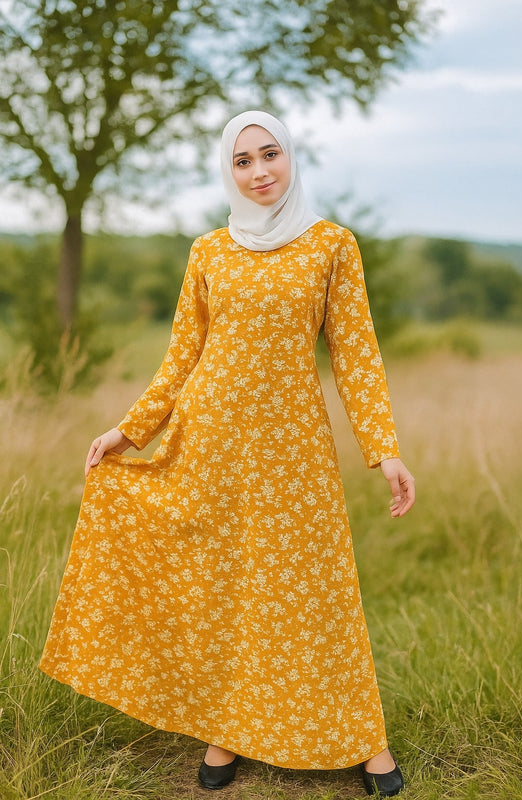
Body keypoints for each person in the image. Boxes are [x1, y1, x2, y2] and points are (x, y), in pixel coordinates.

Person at [40, 110, 415, 797]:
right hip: (208, 443)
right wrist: (132, 429)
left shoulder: (330, 245)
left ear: (289, 157)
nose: (259, 171)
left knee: (318, 591)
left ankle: (365, 741)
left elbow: (355, 353)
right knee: (225, 590)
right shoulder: (210, 249)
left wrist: (382, 450)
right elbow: (184, 355)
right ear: (228, 171)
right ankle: (227, 729)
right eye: (242, 160)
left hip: (293, 453)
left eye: (269, 154)